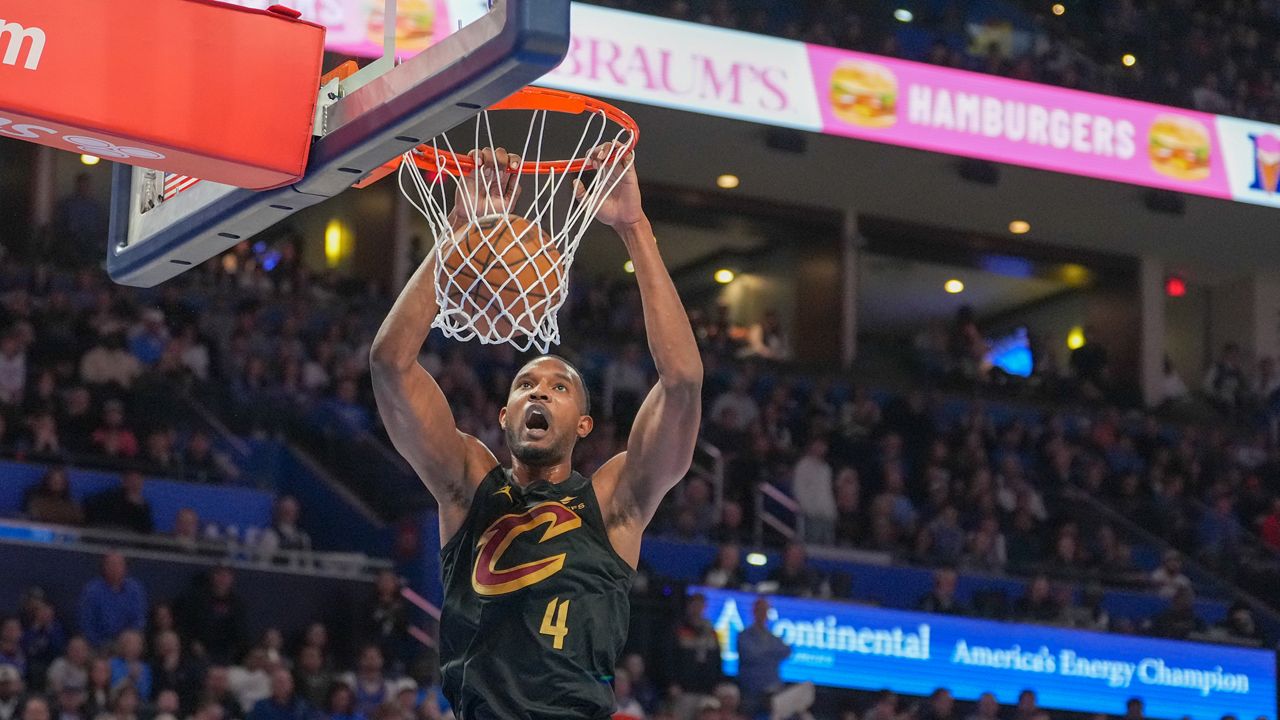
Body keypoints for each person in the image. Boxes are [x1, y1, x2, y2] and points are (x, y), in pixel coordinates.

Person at [370, 144, 702, 720]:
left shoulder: (613, 502)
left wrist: (633, 227)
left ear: (584, 423)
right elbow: (389, 365)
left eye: (559, 386)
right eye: (525, 384)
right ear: (504, 416)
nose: (539, 391)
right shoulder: (469, 484)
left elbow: (683, 382)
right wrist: (454, 231)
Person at [736, 597, 791, 719]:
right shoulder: (744, 636)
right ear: (754, 612)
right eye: (760, 610)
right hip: (750, 692)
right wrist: (771, 653)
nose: (763, 614)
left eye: (765, 610)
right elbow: (750, 655)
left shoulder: (773, 638)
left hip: (772, 691)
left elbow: (787, 651)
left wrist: (762, 651)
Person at [77, 554, 146, 649]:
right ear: (104, 567)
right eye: (111, 564)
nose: (115, 568)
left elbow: (138, 620)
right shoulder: (92, 590)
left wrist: (128, 637)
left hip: (127, 643)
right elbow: (86, 624)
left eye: (119, 565)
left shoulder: (134, 589)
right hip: (99, 644)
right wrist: (101, 644)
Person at [83, 471, 153, 535]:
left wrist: (139, 507)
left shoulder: (143, 505)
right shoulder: (109, 498)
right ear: (124, 482)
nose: (134, 484)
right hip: (107, 535)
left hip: (129, 540)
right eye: (131, 480)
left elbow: (146, 530)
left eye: (137, 480)